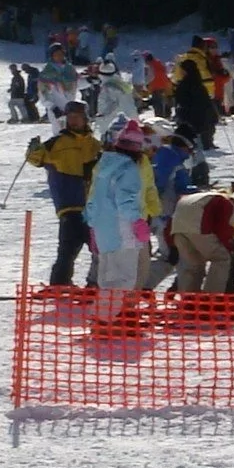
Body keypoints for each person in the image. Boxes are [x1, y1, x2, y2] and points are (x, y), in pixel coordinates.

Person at [83, 118, 152, 319]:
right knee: (123, 278)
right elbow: (126, 200)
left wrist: (93, 225)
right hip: (123, 231)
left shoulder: (103, 167)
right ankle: (109, 319)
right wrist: (137, 222)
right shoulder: (128, 169)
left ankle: (102, 316)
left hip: (104, 231)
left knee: (107, 276)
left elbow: (92, 200)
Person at [24, 105, 101, 287]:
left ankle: (95, 282)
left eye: (77, 117)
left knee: (99, 247)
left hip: (93, 205)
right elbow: (36, 159)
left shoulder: (95, 144)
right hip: (69, 202)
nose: (73, 121)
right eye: (70, 117)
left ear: (85, 119)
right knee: (68, 247)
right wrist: (33, 150)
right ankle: (59, 283)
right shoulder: (57, 142)